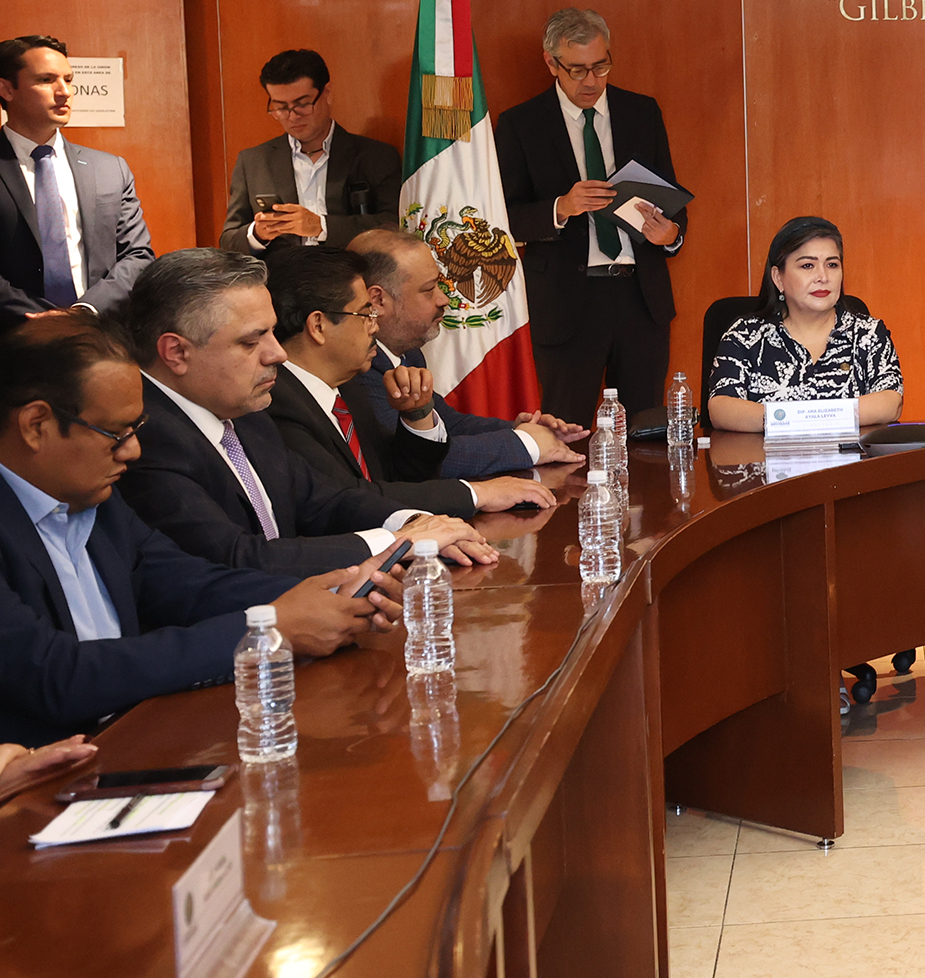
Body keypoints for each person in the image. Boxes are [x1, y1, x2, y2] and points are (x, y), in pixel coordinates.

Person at [0, 316, 397, 747]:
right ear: (35, 425)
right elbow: (56, 675)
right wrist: (268, 630)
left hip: (138, 741)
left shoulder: (96, 499)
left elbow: (190, 586)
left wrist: (334, 595)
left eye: (136, 429)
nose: (132, 450)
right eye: (114, 433)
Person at [114, 249, 497, 575]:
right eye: (251, 341)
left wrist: (416, 523)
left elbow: (325, 500)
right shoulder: (145, 437)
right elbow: (238, 558)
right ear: (176, 352)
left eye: (272, 332)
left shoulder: (243, 412)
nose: (278, 353)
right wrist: (398, 542)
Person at [493, 8, 687, 427]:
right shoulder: (521, 124)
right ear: (551, 63)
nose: (592, 81)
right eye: (578, 70)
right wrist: (561, 207)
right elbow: (504, 218)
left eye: (601, 66)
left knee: (646, 430)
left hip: (640, 299)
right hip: (567, 303)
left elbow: (671, 201)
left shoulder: (642, 112)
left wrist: (670, 234)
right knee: (566, 430)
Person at [263, 248, 555, 518]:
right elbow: (347, 498)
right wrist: (477, 494)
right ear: (318, 326)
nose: (375, 325)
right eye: (365, 314)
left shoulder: (346, 388)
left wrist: (417, 414)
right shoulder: (277, 404)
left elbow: (398, 475)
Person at [346, 229, 585, 480]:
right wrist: (526, 445)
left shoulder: (407, 353)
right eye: (429, 289)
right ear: (377, 300)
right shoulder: (358, 368)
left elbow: (447, 423)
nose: (443, 299)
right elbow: (416, 457)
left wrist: (522, 429)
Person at [0, 35, 153, 327]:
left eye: (68, 79)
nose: (65, 91)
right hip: (13, 336)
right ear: (6, 89)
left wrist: (86, 310)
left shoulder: (110, 169)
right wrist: (41, 319)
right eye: (46, 80)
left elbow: (137, 255)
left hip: (99, 331)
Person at [710, 217, 903, 431]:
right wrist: (806, 420)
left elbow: (890, 402)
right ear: (778, 278)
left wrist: (798, 419)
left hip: (849, 454)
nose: (823, 277)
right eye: (807, 265)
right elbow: (721, 407)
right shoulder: (745, 335)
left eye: (832, 264)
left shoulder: (868, 333)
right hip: (764, 454)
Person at [218, 49, 402, 255]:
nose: (293, 116)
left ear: (327, 93)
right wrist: (257, 233)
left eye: (303, 104)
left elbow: (393, 226)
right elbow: (228, 240)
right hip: (280, 272)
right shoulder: (253, 161)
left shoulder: (377, 156)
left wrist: (321, 226)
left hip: (350, 269)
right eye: (281, 108)